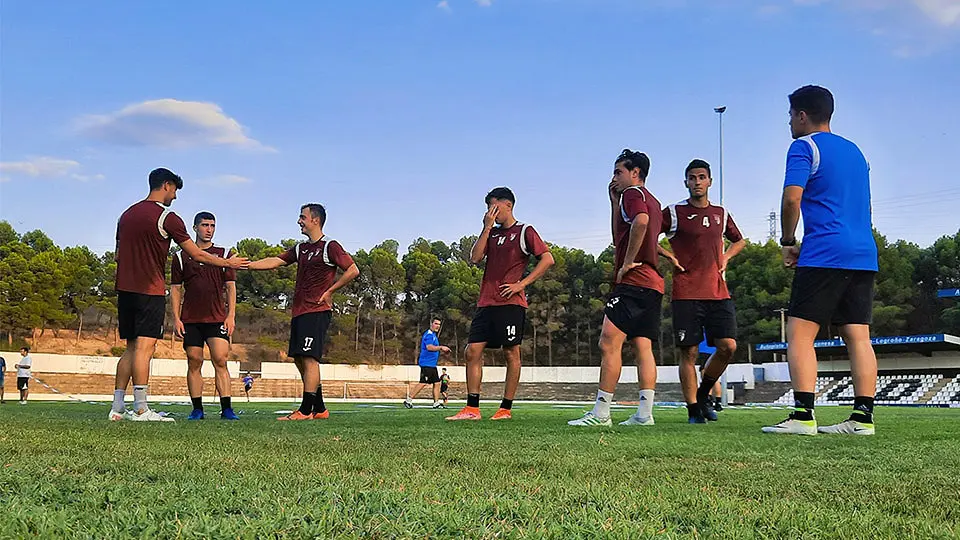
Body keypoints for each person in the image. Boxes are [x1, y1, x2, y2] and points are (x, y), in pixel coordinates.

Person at [763, 85, 879, 436]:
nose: (789, 123)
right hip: (863, 252)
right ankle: (862, 419)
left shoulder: (804, 146)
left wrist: (786, 241)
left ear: (801, 115)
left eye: (790, 116)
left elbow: (791, 200)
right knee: (858, 336)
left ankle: (802, 415)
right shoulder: (856, 152)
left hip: (825, 251)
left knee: (799, 333)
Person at [109, 168, 248, 422]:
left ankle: (117, 408)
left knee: (130, 348)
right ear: (166, 185)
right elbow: (196, 254)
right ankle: (141, 408)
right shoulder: (168, 217)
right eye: (174, 190)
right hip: (148, 289)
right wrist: (229, 264)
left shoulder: (126, 215)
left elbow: (118, 255)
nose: (174, 196)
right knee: (145, 347)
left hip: (125, 290)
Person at [569, 149, 663, 427]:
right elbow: (621, 235)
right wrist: (613, 204)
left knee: (608, 342)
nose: (614, 178)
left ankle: (601, 413)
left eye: (618, 172)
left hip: (634, 281)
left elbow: (641, 223)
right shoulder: (652, 201)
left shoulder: (633, 194)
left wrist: (628, 262)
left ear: (635, 173)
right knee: (642, 346)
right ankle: (644, 414)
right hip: (653, 284)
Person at [446, 187, 554, 421]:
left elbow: (547, 258)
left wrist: (521, 284)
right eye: (488, 209)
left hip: (511, 304)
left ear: (508, 205)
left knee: (510, 352)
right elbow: (474, 258)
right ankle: (472, 409)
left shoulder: (525, 230)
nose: (490, 212)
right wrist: (486, 227)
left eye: (493, 207)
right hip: (486, 302)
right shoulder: (491, 233)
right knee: (472, 351)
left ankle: (505, 408)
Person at [247, 203, 360, 420]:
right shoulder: (301, 248)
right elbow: (275, 261)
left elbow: (353, 270)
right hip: (299, 311)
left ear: (315, 220)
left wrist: (330, 291)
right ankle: (320, 408)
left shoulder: (330, 246)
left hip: (317, 311)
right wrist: (247, 265)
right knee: (300, 359)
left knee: (309, 359)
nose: (299, 221)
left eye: (302, 217)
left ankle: (305, 410)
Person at [659, 159, 745, 423]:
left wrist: (727, 257)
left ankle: (704, 393)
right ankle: (693, 409)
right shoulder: (673, 212)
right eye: (692, 178)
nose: (697, 182)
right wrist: (668, 256)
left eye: (701, 177)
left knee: (727, 346)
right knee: (689, 352)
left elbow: (739, 240)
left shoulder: (721, 213)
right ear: (686, 182)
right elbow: (647, 237)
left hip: (718, 292)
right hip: (686, 293)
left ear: (710, 181)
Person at [171, 211, 240, 421]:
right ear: (195, 228)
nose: (208, 229)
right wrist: (176, 317)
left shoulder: (224, 253)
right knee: (194, 361)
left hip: (217, 318)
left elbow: (230, 287)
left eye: (212, 225)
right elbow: (175, 289)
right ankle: (197, 409)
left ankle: (227, 409)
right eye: (204, 225)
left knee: (220, 359)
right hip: (191, 319)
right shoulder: (181, 256)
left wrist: (231, 316)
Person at [404, 318, 451, 409]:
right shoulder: (429, 335)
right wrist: (441, 347)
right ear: (431, 324)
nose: (437, 326)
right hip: (426, 364)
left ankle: (436, 403)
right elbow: (429, 347)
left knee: (437, 383)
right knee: (423, 382)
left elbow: (433, 348)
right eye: (436, 323)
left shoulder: (433, 335)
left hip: (432, 365)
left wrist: (442, 350)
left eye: (439, 324)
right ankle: (408, 400)